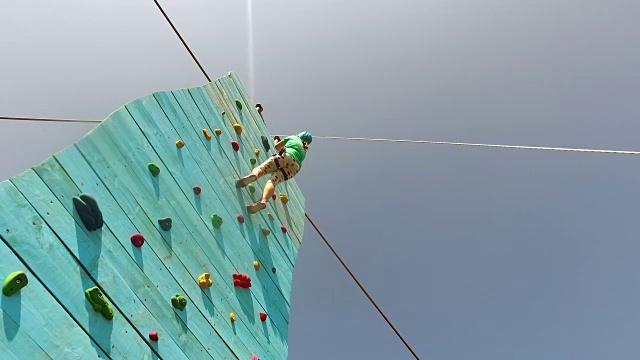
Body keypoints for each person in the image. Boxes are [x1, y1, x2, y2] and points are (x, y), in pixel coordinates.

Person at [237, 131, 312, 214]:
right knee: (273, 181)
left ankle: (254, 175)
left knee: (262, 169)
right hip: (295, 168)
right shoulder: (305, 150)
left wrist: (276, 140)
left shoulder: (294, 137)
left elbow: (277, 147)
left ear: (299, 135)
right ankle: (263, 201)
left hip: (286, 156)